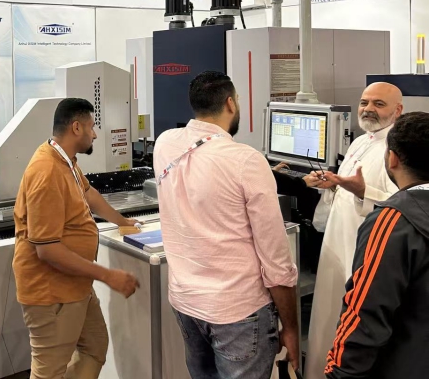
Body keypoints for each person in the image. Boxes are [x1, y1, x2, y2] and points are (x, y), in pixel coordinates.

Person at [153, 71, 299, 379]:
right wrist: (291, 327)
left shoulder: (165, 143)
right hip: (238, 311)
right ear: (230, 103)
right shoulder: (245, 160)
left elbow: (206, 175)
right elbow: (275, 259)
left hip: (186, 302)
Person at [13, 97, 140, 379]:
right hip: (52, 293)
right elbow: (47, 250)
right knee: (48, 371)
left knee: (94, 347)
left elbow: (88, 193)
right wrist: (108, 276)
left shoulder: (65, 160)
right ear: (76, 128)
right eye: (91, 127)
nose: (95, 134)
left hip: (75, 286)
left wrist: (122, 221)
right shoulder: (47, 171)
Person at [304, 82, 403, 379]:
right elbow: (347, 191)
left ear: (398, 110)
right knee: (327, 314)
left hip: (366, 251)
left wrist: (363, 192)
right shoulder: (360, 142)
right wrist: (333, 184)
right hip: (337, 243)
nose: (368, 109)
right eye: (364, 102)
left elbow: (403, 205)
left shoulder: (398, 151)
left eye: (379, 104)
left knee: (352, 321)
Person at [324, 112, 429, 378]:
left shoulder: (393, 222)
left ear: (392, 158)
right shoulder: (360, 144)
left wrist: (340, 373)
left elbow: (365, 313)